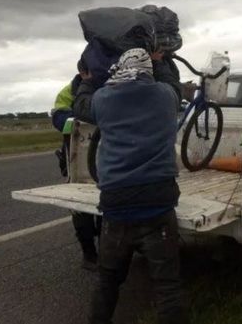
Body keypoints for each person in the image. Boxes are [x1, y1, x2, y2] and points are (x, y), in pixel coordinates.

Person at [73, 48, 188, 324]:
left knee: (107, 282)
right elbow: (174, 85)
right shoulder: (165, 97)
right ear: (148, 71)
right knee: (167, 286)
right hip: (158, 204)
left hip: (117, 206)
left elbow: (80, 106)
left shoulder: (104, 99)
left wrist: (88, 79)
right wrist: (160, 61)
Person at [51, 61, 103, 271]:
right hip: (77, 157)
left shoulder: (105, 86)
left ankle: (107, 251)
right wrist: (80, 120)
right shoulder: (68, 92)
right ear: (82, 72)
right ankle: (89, 254)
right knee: (80, 208)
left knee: (104, 208)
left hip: (103, 155)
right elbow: (59, 119)